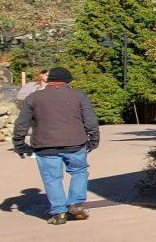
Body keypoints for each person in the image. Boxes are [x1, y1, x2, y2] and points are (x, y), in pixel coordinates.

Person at [11, 67, 100, 225]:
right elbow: (90, 120)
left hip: (45, 145)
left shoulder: (34, 97)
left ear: (49, 80)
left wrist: (19, 144)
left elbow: (21, 124)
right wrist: (94, 138)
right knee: (79, 172)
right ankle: (75, 203)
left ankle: (59, 213)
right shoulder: (78, 95)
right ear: (69, 81)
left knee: (52, 179)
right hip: (75, 143)